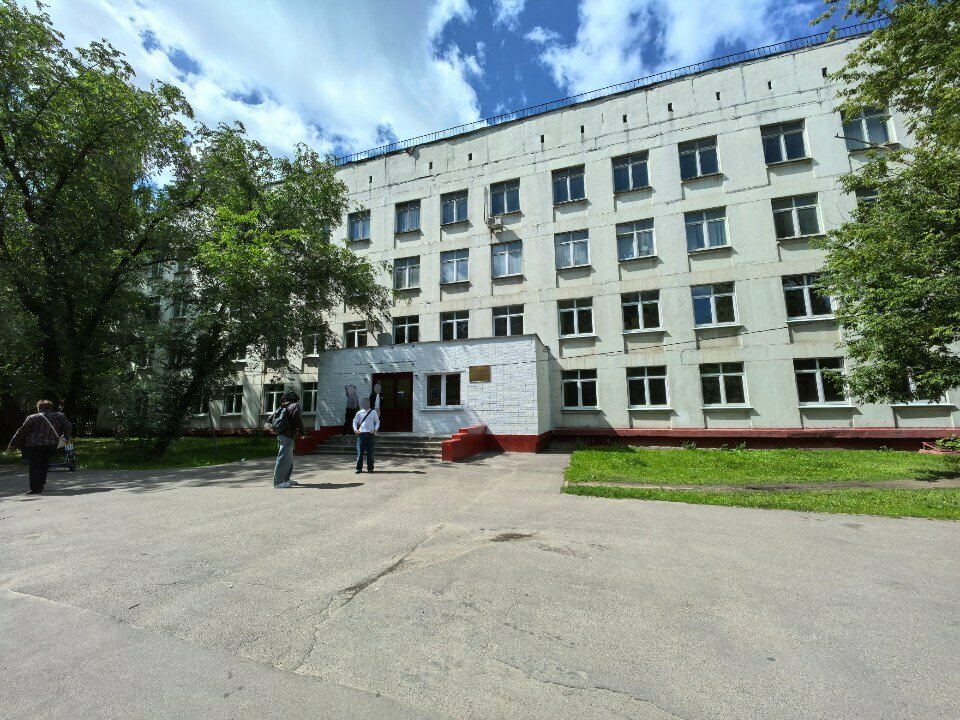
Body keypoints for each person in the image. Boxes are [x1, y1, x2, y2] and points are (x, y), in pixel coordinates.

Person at [6, 400, 72, 495]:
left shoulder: (32, 417)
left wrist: (13, 443)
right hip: (50, 444)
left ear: (39, 408)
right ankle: (41, 484)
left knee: (35, 466)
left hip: (34, 445)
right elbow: (69, 427)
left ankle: (35, 488)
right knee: (44, 464)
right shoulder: (60, 416)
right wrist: (64, 439)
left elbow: (22, 431)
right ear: (51, 407)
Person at [267, 390, 306, 489]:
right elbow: (298, 420)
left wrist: (280, 427)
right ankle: (277, 482)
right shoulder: (294, 406)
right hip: (287, 436)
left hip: (282, 435)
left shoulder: (282, 406)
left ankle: (286, 479)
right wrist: (302, 433)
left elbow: (270, 419)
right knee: (283, 458)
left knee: (288, 459)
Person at [352, 397, 379, 474]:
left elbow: (377, 421)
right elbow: (354, 422)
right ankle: (359, 468)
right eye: (364, 403)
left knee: (370, 453)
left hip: (370, 434)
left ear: (369, 404)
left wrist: (376, 429)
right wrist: (355, 429)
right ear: (362, 404)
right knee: (360, 453)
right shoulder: (359, 413)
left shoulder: (373, 412)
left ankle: (370, 468)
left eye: (367, 403)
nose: (366, 404)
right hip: (361, 435)